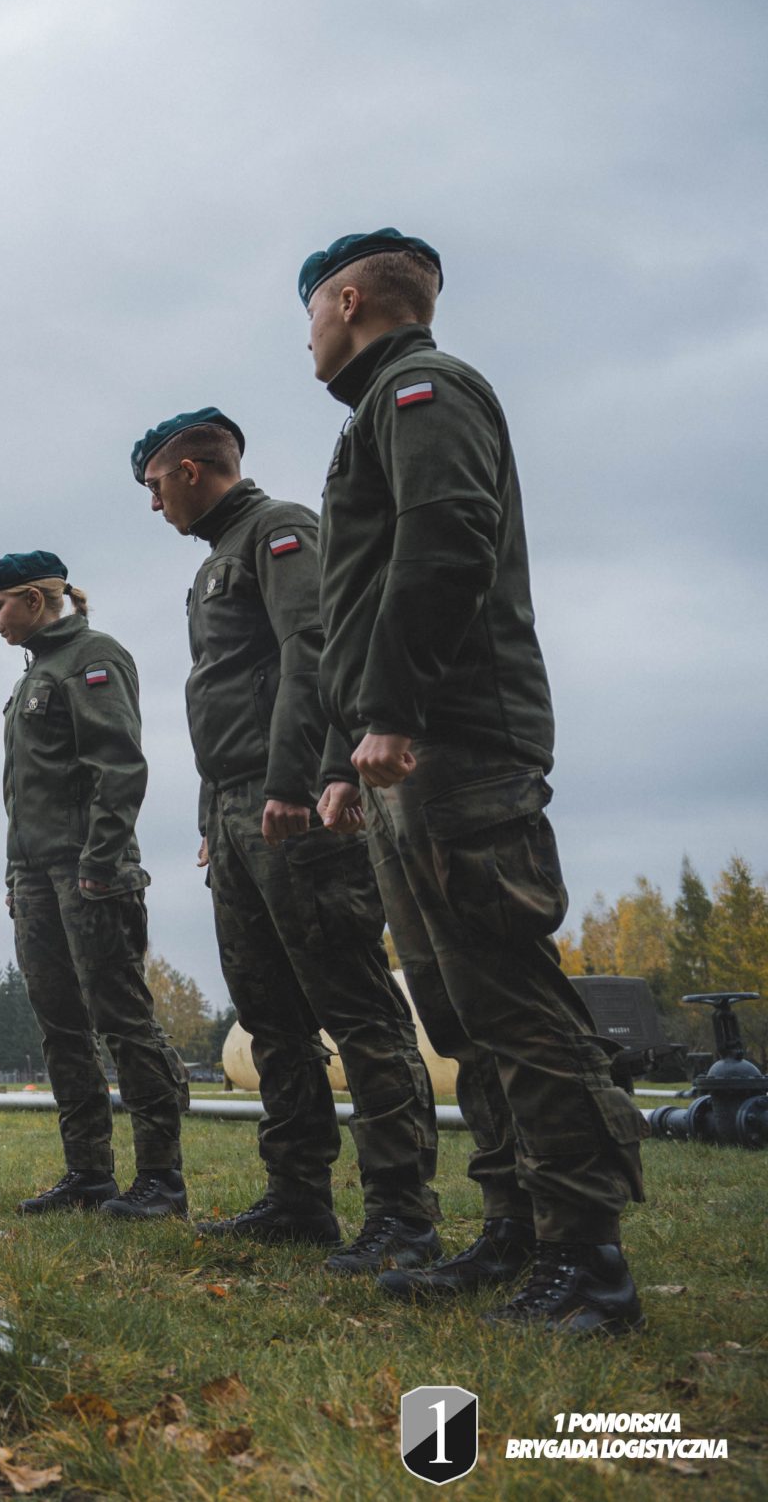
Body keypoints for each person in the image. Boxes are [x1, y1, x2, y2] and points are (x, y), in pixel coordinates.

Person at [302, 229, 647, 1333]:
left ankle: (588, 1261)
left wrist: (396, 708)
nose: (306, 334)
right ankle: (514, 1231)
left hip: (454, 737)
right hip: (410, 747)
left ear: (347, 298)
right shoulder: (381, 405)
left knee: (511, 998)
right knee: (458, 1010)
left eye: (310, 310)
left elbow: (447, 538)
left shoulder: (422, 386)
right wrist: (364, 735)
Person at [132, 408, 442, 1274]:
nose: (154, 507)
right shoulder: (216, 563)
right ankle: (300, 1197)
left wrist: (291, 783)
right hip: (236, 815)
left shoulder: (281, 532)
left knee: (358, 1010)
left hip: (293, 807)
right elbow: (227, 693)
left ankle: (403, 1216)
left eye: (155, 487)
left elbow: (315, 655)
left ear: (192, 470)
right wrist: (212, 815)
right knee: (269, 1014)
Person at [0, 552, 189, 1220]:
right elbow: (27, 792)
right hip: (37, 875)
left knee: (123, 1021)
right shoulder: (36, 672)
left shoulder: (92, 657)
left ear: (38, 600)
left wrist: (98, 864)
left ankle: (160, 1178)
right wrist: (19, 875)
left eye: (0, 605)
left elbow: (118, 767)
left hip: (90, 873)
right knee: (60, 1026)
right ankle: (88, 1173)